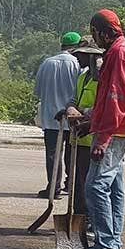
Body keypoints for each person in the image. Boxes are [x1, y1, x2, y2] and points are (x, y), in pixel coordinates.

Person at [75, 10, 125, 249]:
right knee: (113, 188)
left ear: (102, 32)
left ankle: (105, 248)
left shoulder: (120, 53)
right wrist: (92, 122)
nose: (95, 39)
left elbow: (119, 99)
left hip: (114, 132)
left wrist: (103, 137)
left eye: (94, 34)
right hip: (116, 129)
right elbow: (109, 100)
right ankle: (112, 243)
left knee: (96, 187)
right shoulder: (122, 51)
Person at [34, 32, 81, 198]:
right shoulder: (78, 64)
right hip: (73, 116)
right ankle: (71, 185)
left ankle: (53, 186)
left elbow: (38, 91)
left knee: (53, 153)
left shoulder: (47, 63)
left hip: (51, 117)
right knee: (71, 151)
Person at [64, 43, 104, 232]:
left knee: (90, 184)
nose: (78, 59)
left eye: (81, 55)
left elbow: (105, 107)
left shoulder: (103, 79)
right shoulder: (83, 77)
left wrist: (84, 113)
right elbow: (74, 99)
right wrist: (70, 108)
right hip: (77, 138)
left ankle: (90, 219)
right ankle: (78, 218)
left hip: (93, 139)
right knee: (77, 182)